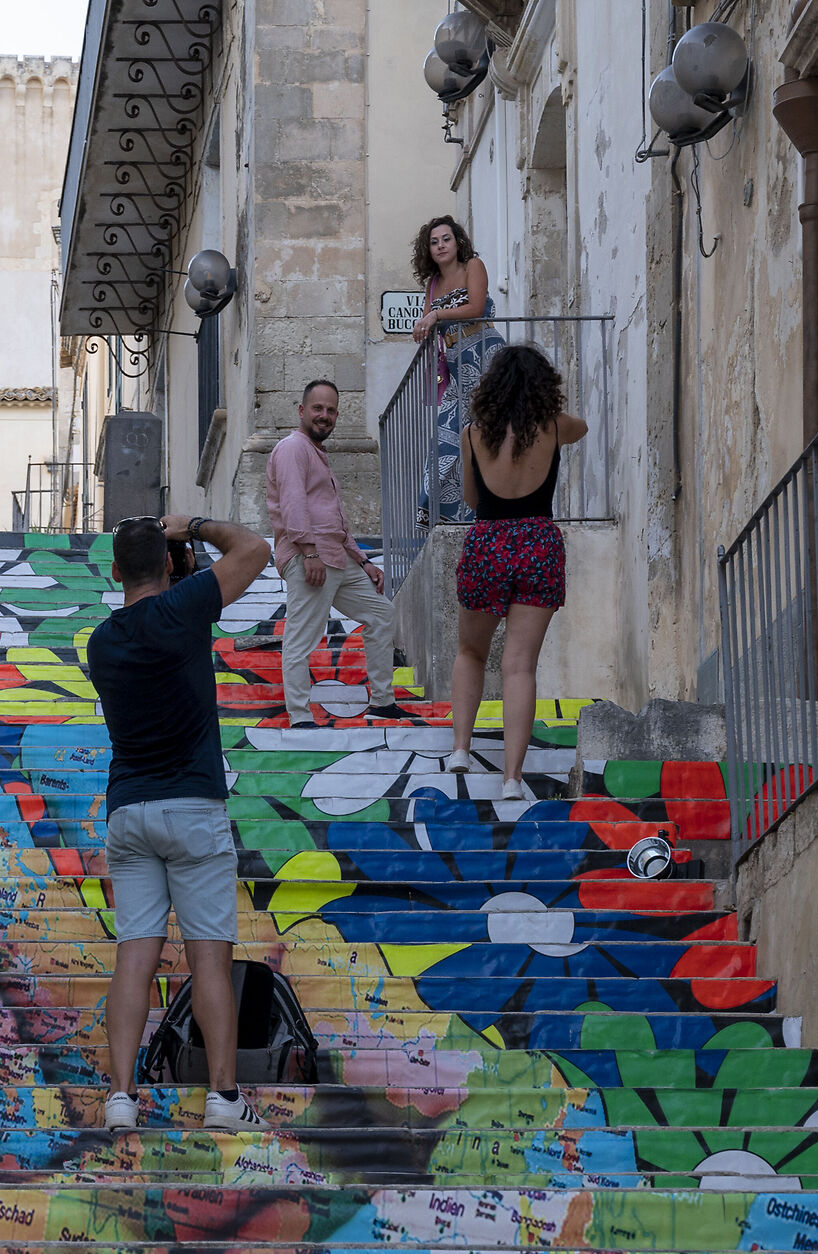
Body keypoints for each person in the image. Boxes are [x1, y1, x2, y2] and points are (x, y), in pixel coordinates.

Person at [86, 513, 272, 1133]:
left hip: (130, 809)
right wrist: (190, 524)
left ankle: (120, 1098)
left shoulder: (101, 642)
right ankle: (222, 1098)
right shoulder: (186, 606)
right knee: (209, 960)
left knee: (134, 955)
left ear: (114, 573)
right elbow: (255, 548)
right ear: (169, 565)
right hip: (192, 806)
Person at [446, 344, 587, 800]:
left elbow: (471, 500)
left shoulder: (473, 433)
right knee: (519, 666)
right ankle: (511, 779)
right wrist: (548, 410)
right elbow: (581, 426)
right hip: (538, 544)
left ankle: (461, 750)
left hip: (489, 541)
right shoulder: (553, 428)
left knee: (471, 651)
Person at [266, 379, 407, 730]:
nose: (324, 416)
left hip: (336, 557)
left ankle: (382, 703)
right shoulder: (292, 448)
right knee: (301, 637)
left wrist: (364, 561)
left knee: (381, 614)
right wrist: (309, 552)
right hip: (309, 557)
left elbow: (335, 522)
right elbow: (293, 502)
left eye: (330, 410)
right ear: (301, 411)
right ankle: (299, 716)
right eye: (317, 408)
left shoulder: (317, 454)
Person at [409, 215, 506, 526]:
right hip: (454, 362)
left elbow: (476, 308)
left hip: (483, 353)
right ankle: (448, 513)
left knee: (491, 432)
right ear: (428, 250)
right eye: (434, 242)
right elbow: (428, 325)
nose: (441, 245)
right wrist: (421, 328)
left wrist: (435, 315)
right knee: (447, 438)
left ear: (457, 241)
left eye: (446, 239)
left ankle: (494, 504)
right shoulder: (432, 284)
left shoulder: (472, 266)